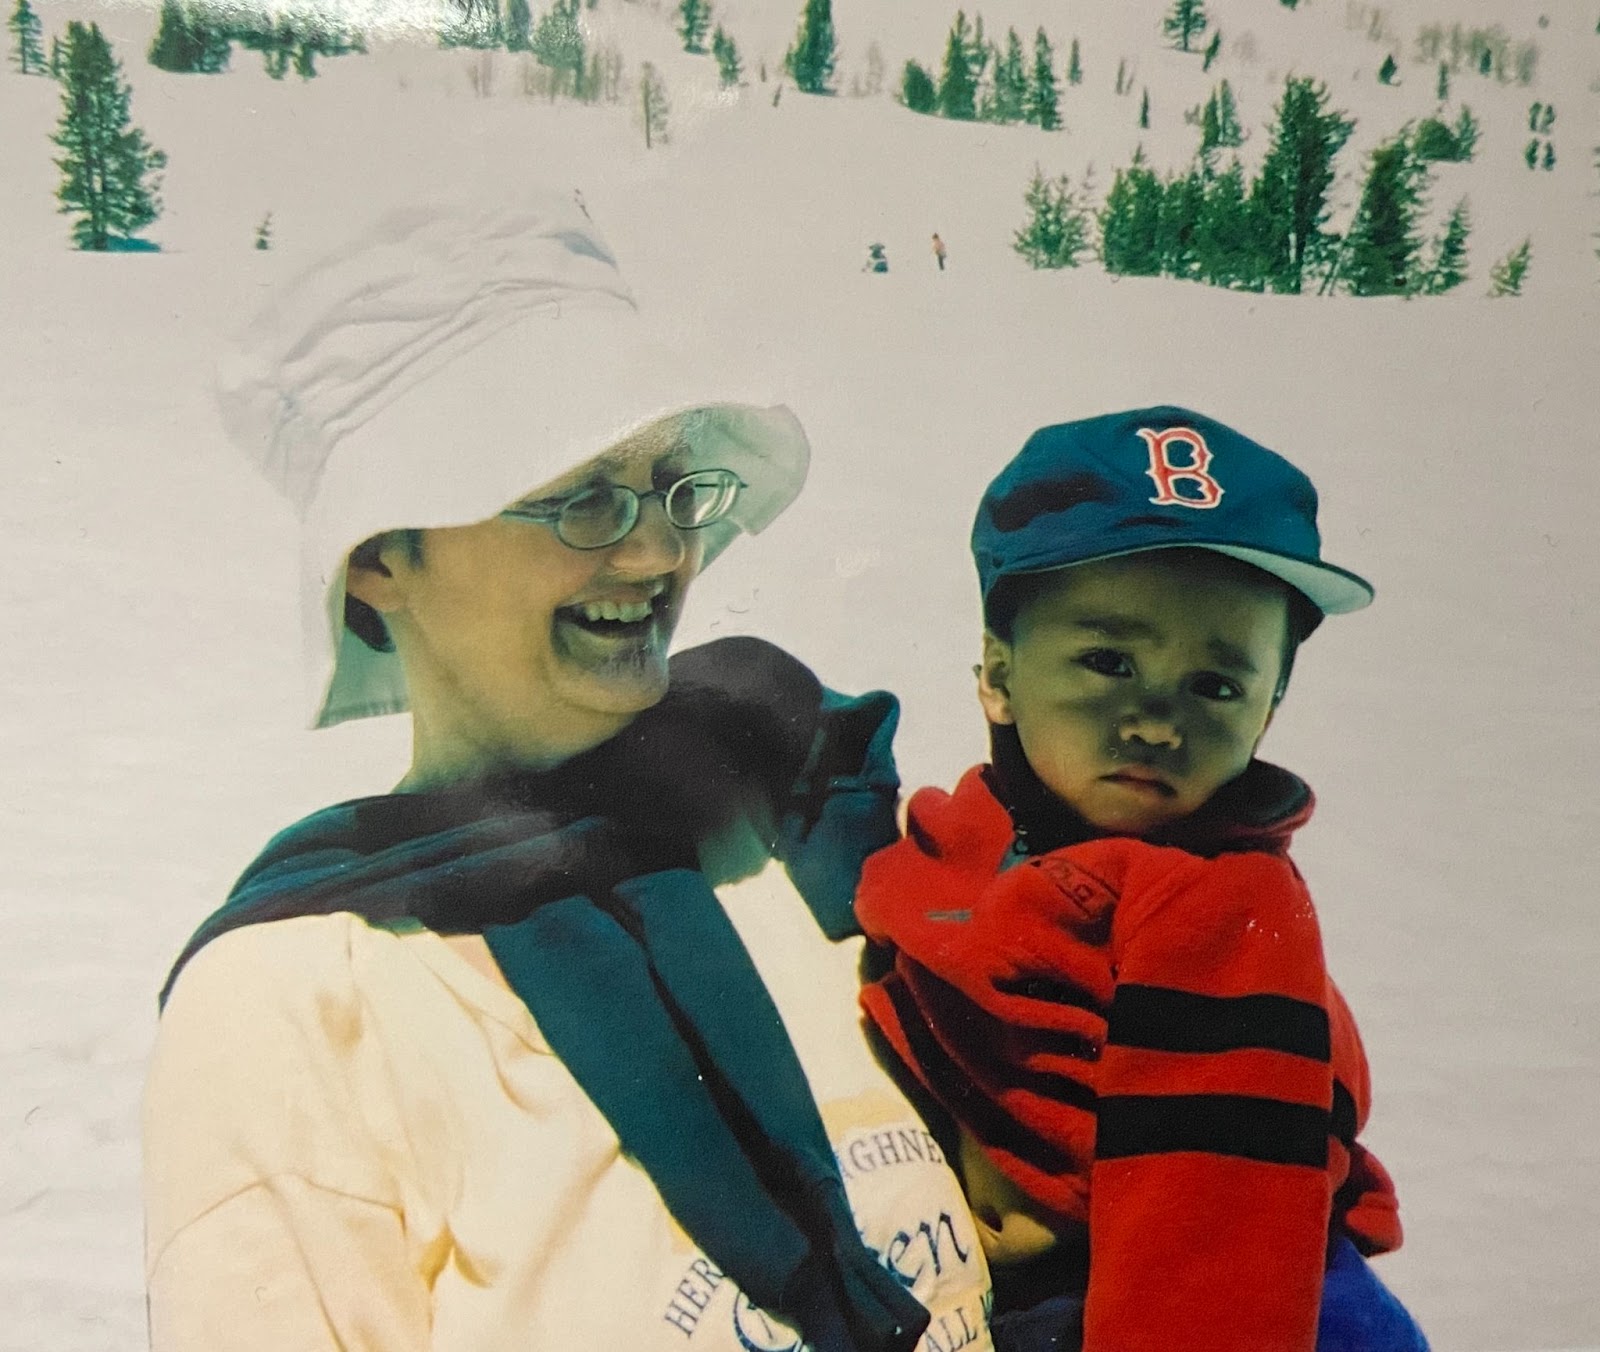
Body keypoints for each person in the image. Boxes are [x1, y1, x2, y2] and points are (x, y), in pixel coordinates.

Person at [141, 194, 992, 1352]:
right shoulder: (298, 1001)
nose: (654, 551)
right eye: (578, 493)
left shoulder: (796, 810)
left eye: (667, 481)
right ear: (385, 555)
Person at [856, 407, 1429, 1352]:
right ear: (998, 674)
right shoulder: (968, 834)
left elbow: (1220, 1214)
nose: (1157, 721)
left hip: (1249, 1298)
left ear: (1269, 709)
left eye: (1215, 685)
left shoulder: (1221, 904)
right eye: (1108, 662)